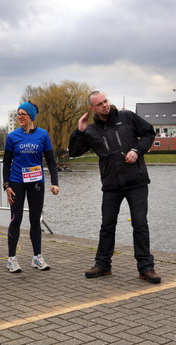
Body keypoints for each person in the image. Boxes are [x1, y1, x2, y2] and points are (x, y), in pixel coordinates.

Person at [68, 91, 161, 284]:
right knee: (107, 226)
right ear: (92, 108)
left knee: (140, 223)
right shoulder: (91, 131)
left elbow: (149, 133)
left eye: (105, 101)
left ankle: (146, 267)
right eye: (99, 104)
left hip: (136, 181)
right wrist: (80, 131)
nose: (105, 105)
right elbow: (74, 152)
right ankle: (103, 265)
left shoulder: (126, 117)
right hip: (111, 185)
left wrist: (137, 150)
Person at [2, 101, 59, 272]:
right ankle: (11, 259)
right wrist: (6, 185)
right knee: (16, 219)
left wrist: (54, 182)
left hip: (36, 182)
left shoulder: (43, 135)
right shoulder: (13, 137)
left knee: (35, 220)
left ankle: (37, 257)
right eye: (18, 114)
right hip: (16, 182)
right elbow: (6, 163)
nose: (19, 117)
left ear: (31, 116)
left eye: (23, 114)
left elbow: (50, 160)